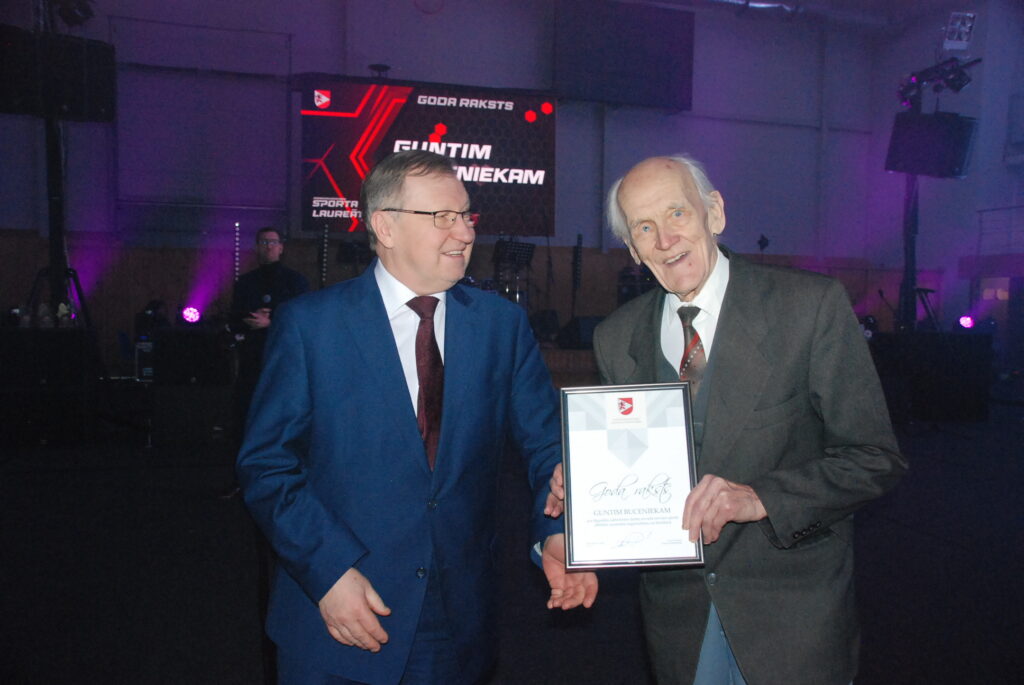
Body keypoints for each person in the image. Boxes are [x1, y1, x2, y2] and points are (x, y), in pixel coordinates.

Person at [237, 150, 597, 685]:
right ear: (385, 226)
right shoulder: (311, 326)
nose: (465, 232)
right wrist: (328, 571)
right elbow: (267, 465)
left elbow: (548, 446)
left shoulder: (501, 326)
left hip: (454, 617)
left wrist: (557, 532)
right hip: (337, 612)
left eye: (467, 215)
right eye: (443, 217)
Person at [547, 155, 906, 685]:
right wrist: (584, 483)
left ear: (714, 213)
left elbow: (874, 458)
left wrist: (761, 498)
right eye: (644, 227)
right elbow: (632, 459)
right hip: (679, 622)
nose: (665, 239)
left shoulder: (808, 307)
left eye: (677, 213)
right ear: (632, 249)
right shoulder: (616, 338)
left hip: (793, 615)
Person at [228, 227, 309, 441]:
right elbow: (234, 319)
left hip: (284, 356)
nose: (269, 247)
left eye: (273, 242)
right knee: (250, 406)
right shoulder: (245, 283)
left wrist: (272, 322)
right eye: (264, 242)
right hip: (253, 356)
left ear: (281, 247)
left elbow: (304, 320)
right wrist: (250, 319)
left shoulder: (295, 282)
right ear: (257, 247)